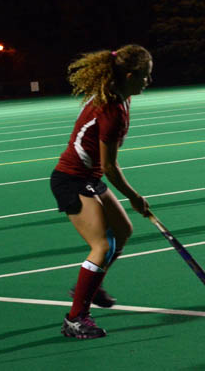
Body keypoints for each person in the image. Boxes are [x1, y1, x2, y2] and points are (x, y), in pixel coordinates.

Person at [50, 44, 152, 338]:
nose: (148, 81)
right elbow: (109, 166)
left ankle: (90, 286)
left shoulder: (122, 96)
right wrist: (134, 196)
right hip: (71, 179)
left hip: (88, 178)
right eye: (145, 76)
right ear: (130, 75)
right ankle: (75, 319)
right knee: (102, 246)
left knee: (122, 231)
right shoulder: (112, 109)